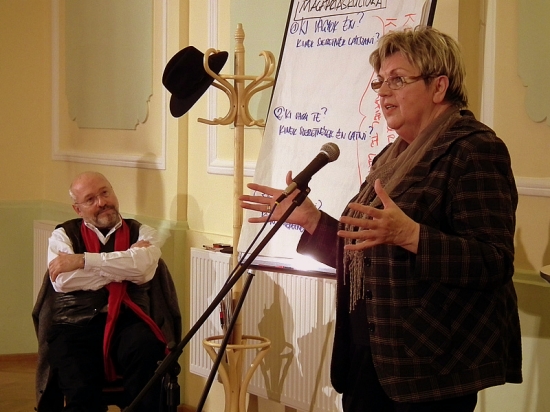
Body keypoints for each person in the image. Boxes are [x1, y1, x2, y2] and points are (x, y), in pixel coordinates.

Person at [240, 27, 522, 412]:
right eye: (380, 81)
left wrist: (414, 236)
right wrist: (311, 219)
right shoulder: (391, 158)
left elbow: (494, 261)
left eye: (398, 80)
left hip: (429, 371)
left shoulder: (474, 150)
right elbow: (366, 250)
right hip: (371, 359)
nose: (383, 93)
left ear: (439, 87)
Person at [33, 171, 180, 412]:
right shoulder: (62, 235)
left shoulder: (144, 233)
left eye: (105, 193)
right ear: (78, 209)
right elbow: (64, 280)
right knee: (81, 389)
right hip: (74, 323)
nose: (102, 202)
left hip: (129, 319)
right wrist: (125, 265)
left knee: (146, 351)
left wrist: (83, 261)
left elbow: (143, 269)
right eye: (90, 199)